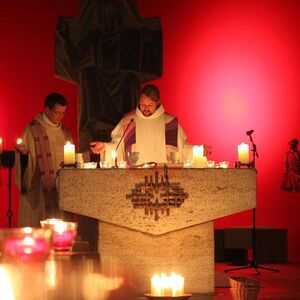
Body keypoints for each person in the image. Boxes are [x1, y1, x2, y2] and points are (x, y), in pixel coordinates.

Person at [90, 84, 209, 165]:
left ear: (158, 103)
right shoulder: (129, 121)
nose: (145, 108)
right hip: (134, 176)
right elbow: (118, 146)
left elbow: (182, 149)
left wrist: (197, 150)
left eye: (150, 105)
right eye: (142, 104)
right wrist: (106, 147)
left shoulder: (169, 122)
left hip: (165, 177)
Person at [15, 93, 73, 226]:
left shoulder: (65, 132)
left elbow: (71, 162)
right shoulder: (32, 130)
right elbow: (24, 162)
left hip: (59, 191)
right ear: (47, 110)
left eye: (63, 113)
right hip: (39, 191)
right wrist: (24, 156)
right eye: (57, 113)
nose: (60, 117)